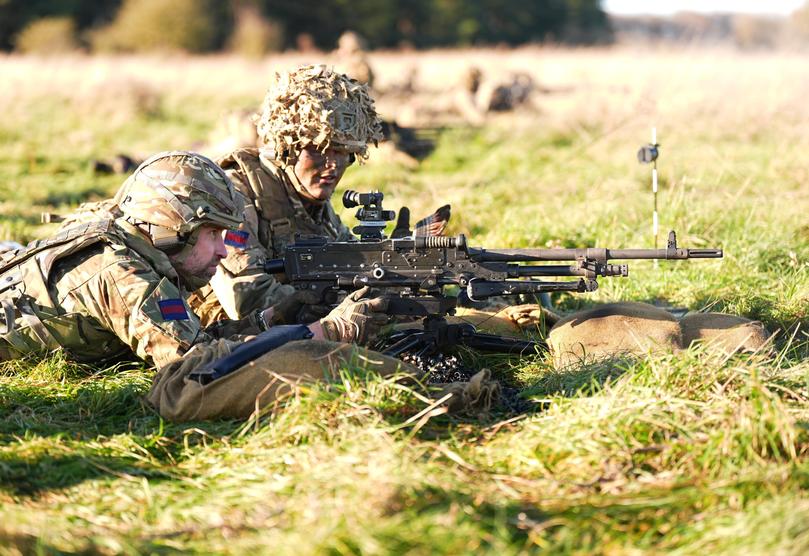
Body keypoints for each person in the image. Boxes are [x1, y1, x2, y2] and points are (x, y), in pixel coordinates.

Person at [0, 151, 408, 421]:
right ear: (172, 228)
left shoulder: (147, 255)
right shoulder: (120, 272)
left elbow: (197, 337)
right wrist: (326, 331)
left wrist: (277, 317)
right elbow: (195, 372)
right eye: (213, 233)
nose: (222, 251)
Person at [189, 64, 386, 325]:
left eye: (343, 153)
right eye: (318, 150)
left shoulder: (310, 198)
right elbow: (246, 298)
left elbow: (350, 262)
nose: (333, 165)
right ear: (286, 149)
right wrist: (337, 306)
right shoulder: (236, 194)